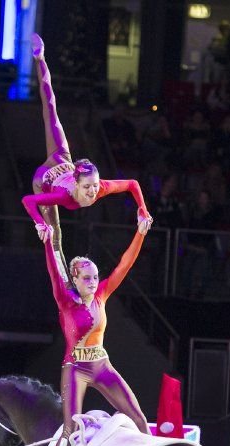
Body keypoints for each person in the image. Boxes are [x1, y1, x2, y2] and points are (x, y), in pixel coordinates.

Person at [31, 217, 152, 446]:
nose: (93, 281)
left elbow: (125, 264)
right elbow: (52, 270)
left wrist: (140, 233)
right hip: (76, 370)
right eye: (86, 277)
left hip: (101, 365)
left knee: (138, 418)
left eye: (95, 277)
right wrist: (48, 241)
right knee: (70, 429)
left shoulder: (102, 295)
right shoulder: (65, 300)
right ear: (74, 279)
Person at [22, 33, 152, 282]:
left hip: (64, 159)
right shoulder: (63, 195)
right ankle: (40, 58)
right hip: (44, 178)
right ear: (77, 184)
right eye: (88, 187)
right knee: (53, 233)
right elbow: (28, 199)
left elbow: (132, 184)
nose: (93, 191)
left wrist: (143, 210)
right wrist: (39, 221)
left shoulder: (100, 188)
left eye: (94, 185)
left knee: (52, 111)